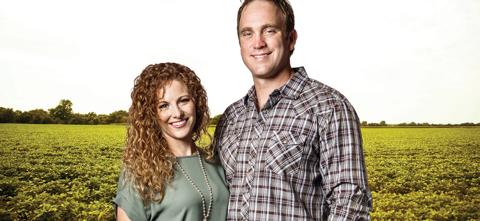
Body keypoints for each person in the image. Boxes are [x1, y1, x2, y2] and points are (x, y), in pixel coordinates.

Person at [213, 0, 372, 220]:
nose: (258, 43)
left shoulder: (329, 107)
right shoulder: (231, 118)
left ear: (291, 39)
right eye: (247, 33)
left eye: (269, 30)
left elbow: (351, 203)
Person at [114, 62, 229, 221]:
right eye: (164, 106)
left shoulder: (216, 162)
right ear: (151, 114)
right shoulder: (140, 170)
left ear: (196, 103)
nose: (177, 113)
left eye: (183, 100)